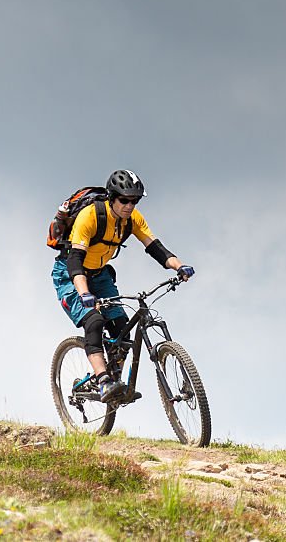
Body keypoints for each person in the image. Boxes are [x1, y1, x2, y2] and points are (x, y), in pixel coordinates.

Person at [52, 169, 195, 402]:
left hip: (100, 275)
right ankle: (103, 382)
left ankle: (116, 377)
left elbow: (155, 247)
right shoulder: (90, 216)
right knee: (94, 320)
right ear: (111, 197)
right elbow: (75, 261)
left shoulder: (133, 219)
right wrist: (85, 293)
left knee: (122, 329)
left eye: (135, 200)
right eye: (124, 200)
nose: (129, 205)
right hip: (70, 275)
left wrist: (179, 266)